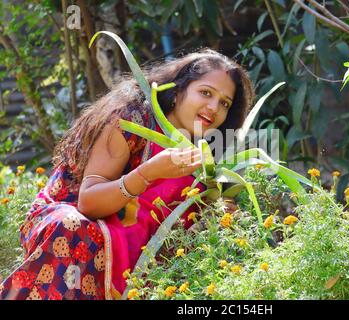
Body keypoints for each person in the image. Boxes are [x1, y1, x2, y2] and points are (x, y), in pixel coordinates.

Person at [0, 48, 254, 300]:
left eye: (224, 103)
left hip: (143, 247)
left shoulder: (205, 154)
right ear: (177, 91)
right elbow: (87, 202)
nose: (213, 107)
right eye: (205, 93)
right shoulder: (132, 117)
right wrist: (148, 173)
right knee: (75, 228)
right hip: (77, 217)